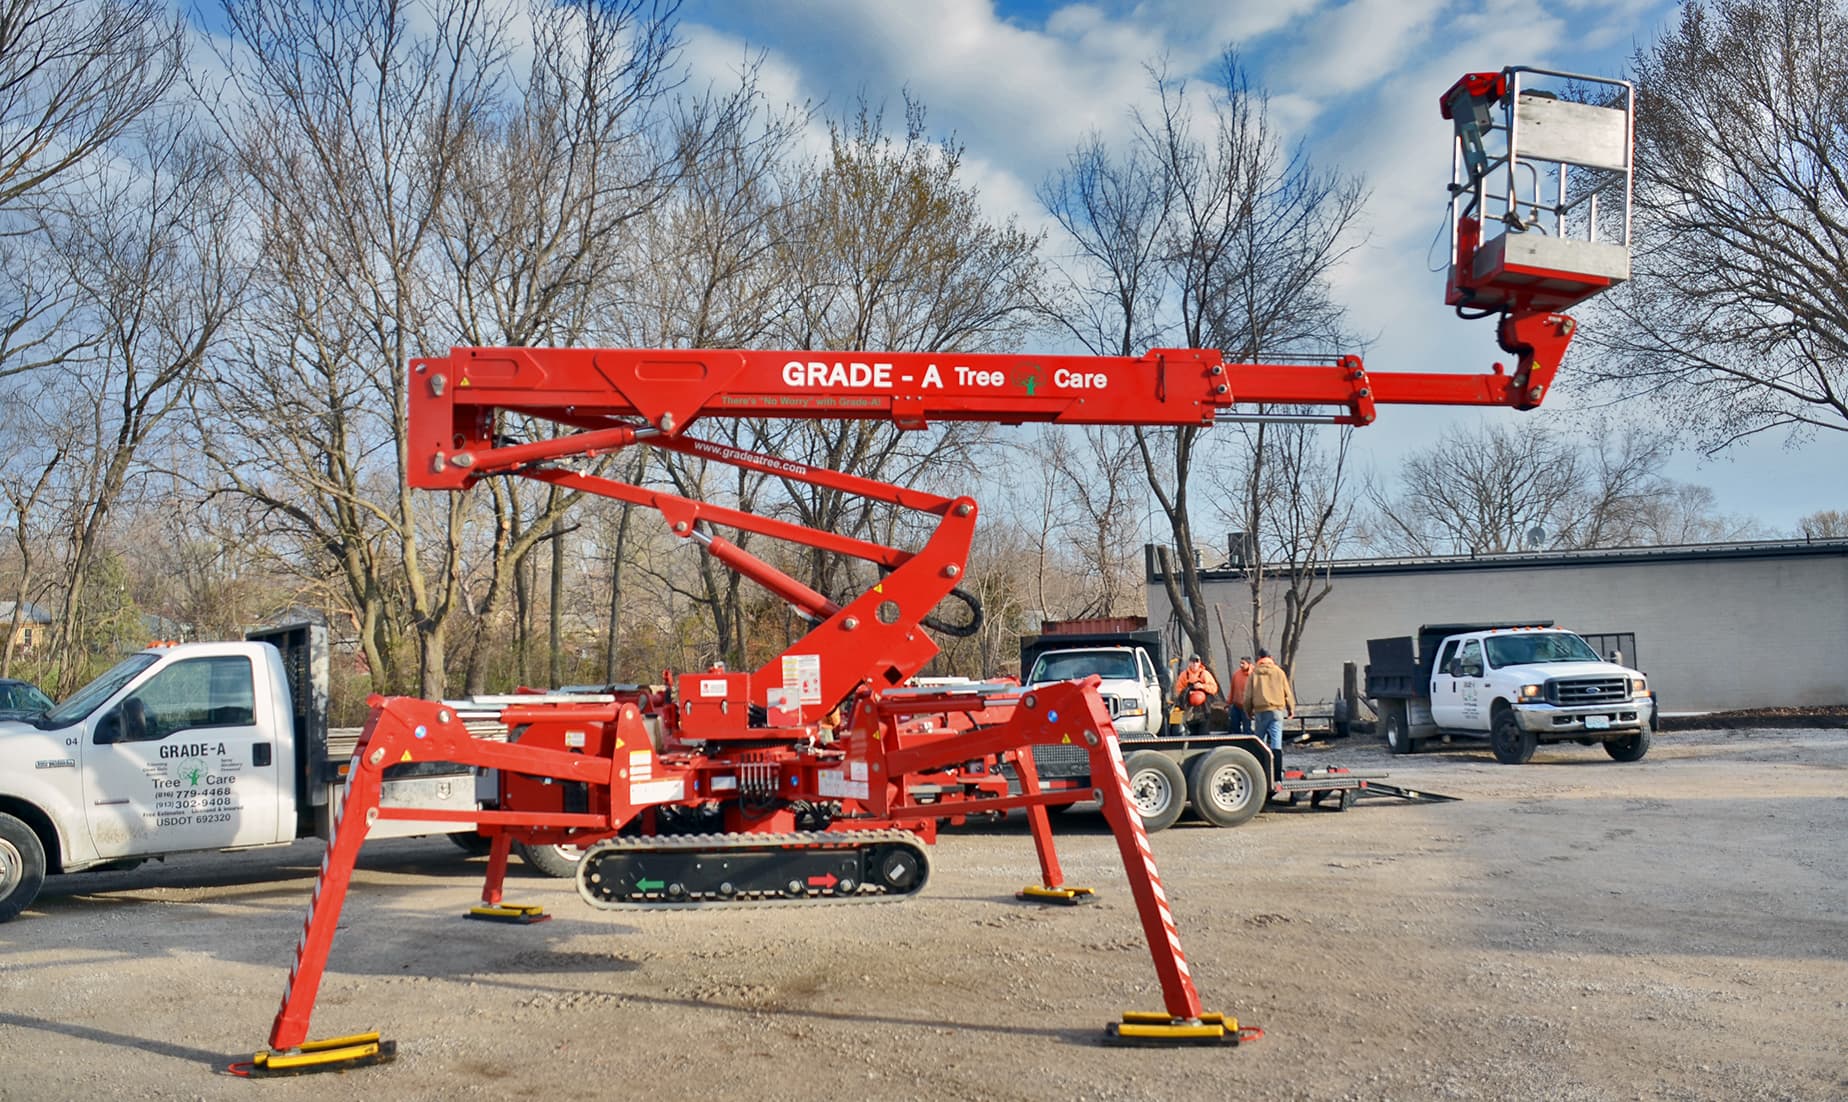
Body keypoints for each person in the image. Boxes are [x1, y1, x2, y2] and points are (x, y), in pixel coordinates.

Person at [1243, 648, 1296, 782]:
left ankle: (1260, 774)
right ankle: (1277, 776)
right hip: (1277, 711)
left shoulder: (1254, 673)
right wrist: (1291, 709)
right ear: (1270, 657)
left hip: (1260, 712)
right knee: (1276, 743)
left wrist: (1248, 712)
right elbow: (1287, 693)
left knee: (1259, 742)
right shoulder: (1279, 672)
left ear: (1259, 658)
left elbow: (1248, 696)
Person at [1171, 654, 1219, 737]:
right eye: (1192, 662)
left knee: (1204, 734)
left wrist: (1202, 686)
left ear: (1199, 663)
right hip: (1189, 711)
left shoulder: (1205, 674)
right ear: (1189, 663)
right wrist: (1188, 693)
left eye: (1196, 662)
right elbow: (1178, 690)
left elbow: (1214, 688)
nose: (1194, 664)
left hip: (1203, 710)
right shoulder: (1184, 675)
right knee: (1191, 733)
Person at [1228, 656, 1254, 735]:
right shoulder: (1236, 674)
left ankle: (1247, 745)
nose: (1241, 665)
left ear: (1249, 664)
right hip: (1236, 706)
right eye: (1240, 663)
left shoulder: (1254, 675)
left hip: (1247, 707)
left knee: (1247, 728)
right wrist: (1229, 702)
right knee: (1234, 727)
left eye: (1243, 663)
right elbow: (1232, 689)